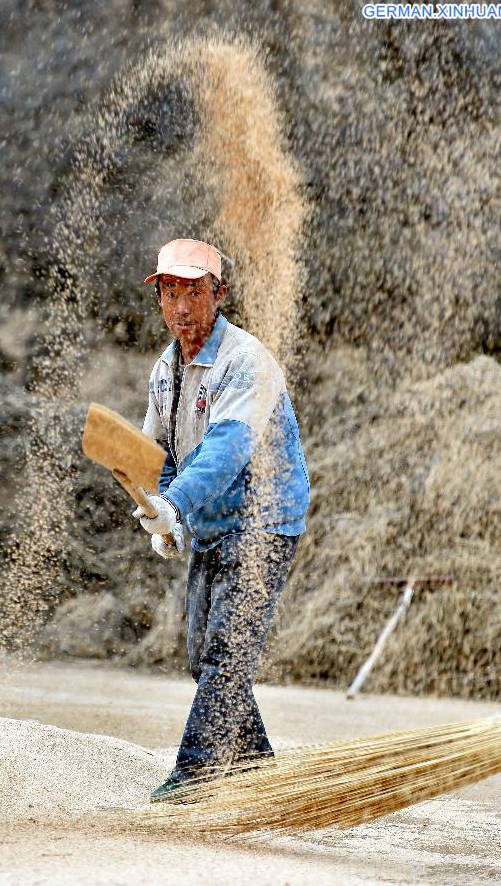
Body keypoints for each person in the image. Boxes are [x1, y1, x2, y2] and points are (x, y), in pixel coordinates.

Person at [135, 237, 310, 802]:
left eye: (193, 291)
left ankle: (190, 780)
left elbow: (226, 451)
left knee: (226, 658)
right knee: (204, 660)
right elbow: (157, 454)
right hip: (212, 524)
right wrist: (168, 516)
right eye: (169, 292)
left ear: (219, 294)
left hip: (263, 521)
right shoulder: (166, 370)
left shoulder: (246, 361)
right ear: (158, 297)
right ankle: (259, 773)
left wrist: (177, 503)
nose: (181, 307)